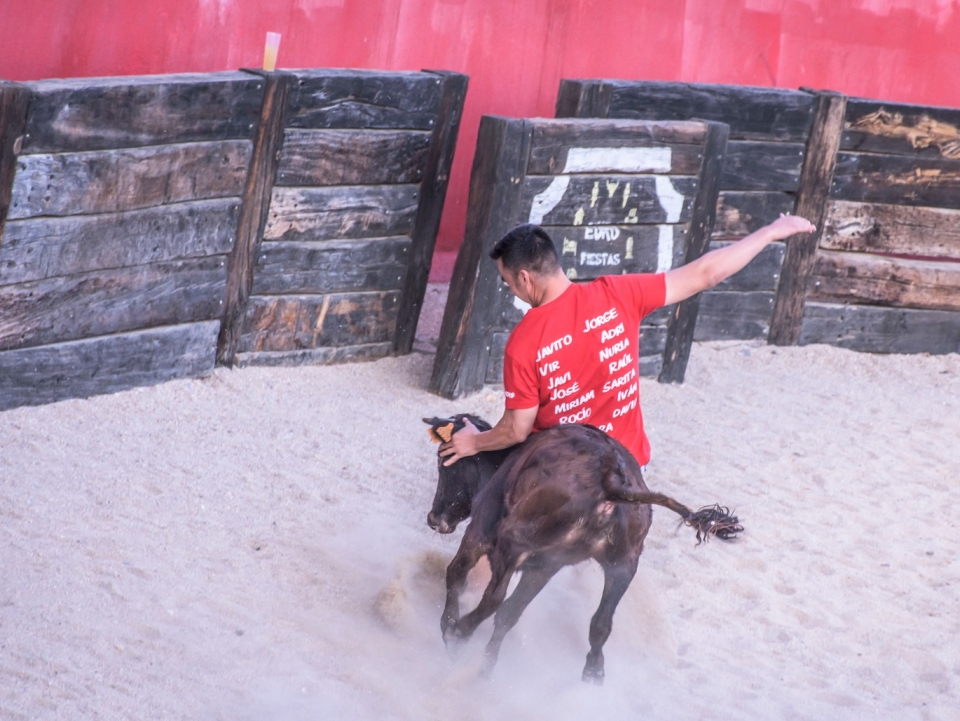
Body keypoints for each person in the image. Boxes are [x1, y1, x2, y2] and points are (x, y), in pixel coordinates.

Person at [438, 213, 816, 468]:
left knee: (488, 528)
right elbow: (706, 273)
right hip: (627, 464)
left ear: (524, 279)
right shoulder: (620, 293)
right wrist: (768, 233)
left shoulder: (522, 343)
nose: (512, 291)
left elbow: (516, 430)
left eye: (508, 283)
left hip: (561, 468)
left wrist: (476, 442)